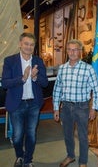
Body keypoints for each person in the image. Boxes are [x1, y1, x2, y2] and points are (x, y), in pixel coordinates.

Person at [1, 32, 48, 167]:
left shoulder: (38, 61)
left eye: (32, 44)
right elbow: (5, 83)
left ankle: (28, 160)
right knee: (17, 136)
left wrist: (34, 77)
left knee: (31, 134)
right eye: (26, 44)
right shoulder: (10, 61)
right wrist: (23, 78)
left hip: (34, 104)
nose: (29, 47)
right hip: (17, 105)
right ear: (20, 44)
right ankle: (19, 156)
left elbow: (44, 83)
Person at [52, 39, 98, 167]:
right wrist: (56, 108)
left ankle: (83, 161)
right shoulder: (62, 69)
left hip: (82, 107)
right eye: (70, 49)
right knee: (67, 134)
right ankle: (70, 156)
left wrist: (94, 108)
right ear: (67, 51)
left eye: (75, 49)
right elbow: (57, 89)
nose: (72, 52)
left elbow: (96, 90)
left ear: (80, 52)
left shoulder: (88, 69)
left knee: (83, 136)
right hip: (66, 107)